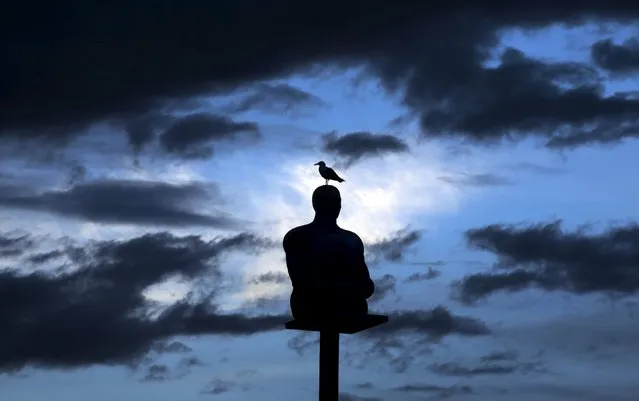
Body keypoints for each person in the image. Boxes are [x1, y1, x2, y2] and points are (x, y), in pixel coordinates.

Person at [283, 185, 375, 320]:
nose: (334, 206)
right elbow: (302, 282)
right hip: (310, 308)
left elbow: (366, 286)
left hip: (350, 307)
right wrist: (345, 286)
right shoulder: (297, 237)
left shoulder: (351, 240)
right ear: (315, 203)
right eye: (328, 201)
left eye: (337, 201)